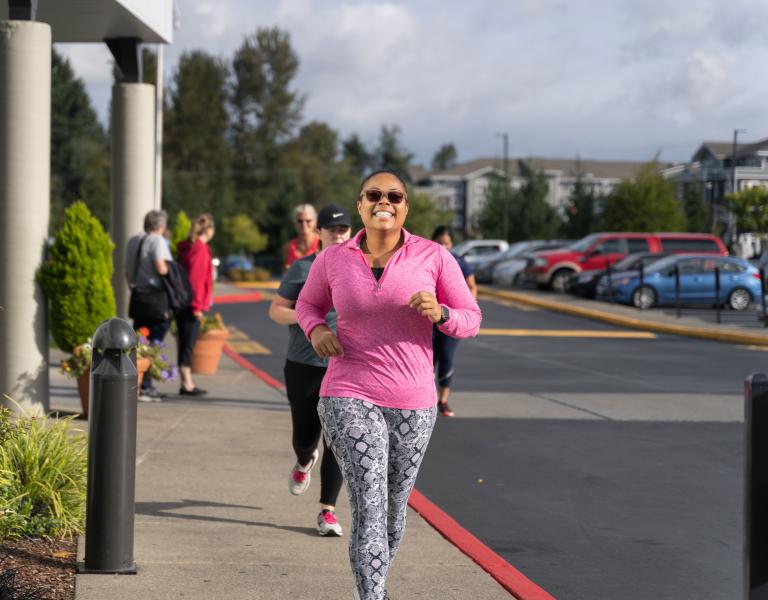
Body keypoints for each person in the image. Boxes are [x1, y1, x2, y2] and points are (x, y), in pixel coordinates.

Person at [296, 170, 482, 600]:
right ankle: (373, 596)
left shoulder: (433, 257)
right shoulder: (334, 259)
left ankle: (376, 584)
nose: (385, 201)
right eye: (374, 195)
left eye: (394, 196)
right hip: (348, 392)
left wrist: (442, 315)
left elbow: (471, 318)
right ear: (360, 205)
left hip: (414, 401)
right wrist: (316, 330)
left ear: (405, 208)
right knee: (370, 503)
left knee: (394, 508)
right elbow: (308, 303)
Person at [268, 204, 352, 537]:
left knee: (339, 439)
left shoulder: (361, 268)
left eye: (344, 230)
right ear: (319, 234)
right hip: (303, 364)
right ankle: (304, 460)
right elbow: (276, 312)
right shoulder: (302, 269)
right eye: (332, 230)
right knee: (305, 436)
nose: (339, 235)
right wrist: (312, 323)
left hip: (344, 369)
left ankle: (327, 511)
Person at [430, 225, 478, 417]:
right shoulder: (424, 260)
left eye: (446, 243)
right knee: (428, 360)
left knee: (446, 358)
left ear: (452, 244)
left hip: (451, 318)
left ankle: (443, 401)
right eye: (439, 242)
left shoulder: (458, 262)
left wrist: (468, 308)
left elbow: (472, 286)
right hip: (428, 319)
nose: (442, 246)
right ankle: (427, 400)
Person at [126, 209, 172, 402]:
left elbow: (128, 269)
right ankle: (146, 386)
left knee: (139, 340)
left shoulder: (133, 240)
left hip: (138, 296)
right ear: (160, 225)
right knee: (155, 341)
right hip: (155, 298)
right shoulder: (158, 240)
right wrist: (174, 272)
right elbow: (161, 266)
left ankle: (136, 382)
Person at [176, 214, 215, 396]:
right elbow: (196, 281)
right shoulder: (200, 249)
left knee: (185, 341)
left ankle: (186, 380)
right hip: (191, 304)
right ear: (209, 230)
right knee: (188, 343)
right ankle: (187, 383)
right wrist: (197, 306)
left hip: (182, 302)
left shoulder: (188, 247)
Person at [283, 204, 320, 272]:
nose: (304, 224)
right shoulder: (288, 248)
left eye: (308, 221)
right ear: (294, 222)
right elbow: (285, 275)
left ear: (315, 222)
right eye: (300, 221)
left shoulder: (322, 245)